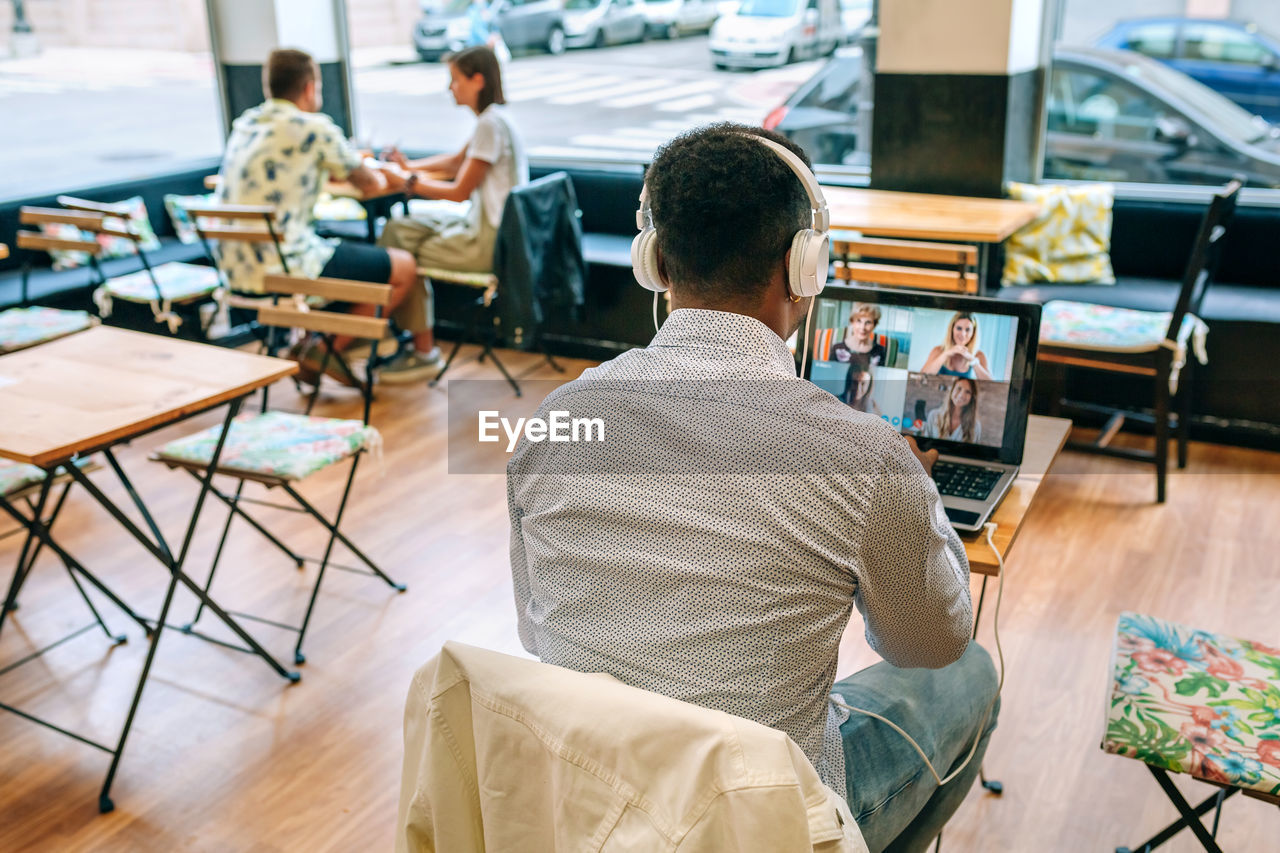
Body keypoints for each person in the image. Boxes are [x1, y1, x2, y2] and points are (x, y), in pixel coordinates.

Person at [506, 124, 998, 852]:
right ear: (805, 265)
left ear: (656, 259)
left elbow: (532, 625)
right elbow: (929, 642)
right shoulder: (862, 456)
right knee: (972, 676)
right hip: (762, 823)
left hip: (587, 804)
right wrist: (917, 501)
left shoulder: (556, 422)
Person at [214, 48, 437, 386]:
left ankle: (314, 345)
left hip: (233, 270)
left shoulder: (245, 125)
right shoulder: (315, 128)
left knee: (337, 251)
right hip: (285, 268)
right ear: (309, 87)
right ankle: (325, 348)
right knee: (403, 266)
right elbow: (370, 183)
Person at [378, 46, 528, 381]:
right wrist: (407, 168)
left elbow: (459, 191)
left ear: (477, 80)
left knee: (401, 250)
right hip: (488, 229)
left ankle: (415, 347)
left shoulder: (489, 125)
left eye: (455, 80)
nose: (450, 88)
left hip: (485, 242)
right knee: (400, 229)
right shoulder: (495, 119)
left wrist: (406, 181)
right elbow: (455, 163)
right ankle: (399, 335)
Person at [921, 311, 992, 380]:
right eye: (959, 328)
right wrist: (946, 354)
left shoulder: (979, 355)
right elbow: (921, 376)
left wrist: (973, 360)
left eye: (967, 330)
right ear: (952, 329)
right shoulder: (938, 350)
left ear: (973, 333)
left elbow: (991, 384)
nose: (963, 334)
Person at [925, 377, 981, 444]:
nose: (961, 395)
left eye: (968, 392)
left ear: (972, 398)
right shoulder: (933, 415)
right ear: (952, 390)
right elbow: (926, 446)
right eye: (959, 388)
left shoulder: (976, 426)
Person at [831, 302, 886, 367]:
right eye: (858, 321)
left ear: (874, 325)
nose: (862, 327)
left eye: (868, 322)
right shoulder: (837, 348)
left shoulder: (880, 350)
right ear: (852, 322)